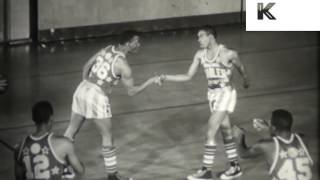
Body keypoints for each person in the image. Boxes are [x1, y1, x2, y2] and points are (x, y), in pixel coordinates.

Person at [63, 31, 160, 180]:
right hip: (97, 96)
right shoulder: (124, 66)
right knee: (107, 136)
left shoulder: (107, 48)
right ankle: (112, 176)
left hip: (82, 88)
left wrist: (87, 84)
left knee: (71, 130)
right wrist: (151, 81)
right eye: (136, 42)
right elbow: (132, 91)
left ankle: (63, 167)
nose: (139, 45)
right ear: (128, 44)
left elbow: (86, 66)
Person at [159, 25, 250, 180]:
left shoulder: (228, 53)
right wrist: (166, 77)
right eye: (198, 36)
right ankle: (235, 167)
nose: (198, 39)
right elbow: (188, 76)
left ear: (211, 36)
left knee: (210, 130)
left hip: (226, 93)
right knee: (225, 131)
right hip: (213, 96)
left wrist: (246, 79)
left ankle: (206, 170)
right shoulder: (200, 55)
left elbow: (240, 66)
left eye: (201, 36)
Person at [232, 109, 313, 180]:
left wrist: (239, 137)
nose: (268, 122)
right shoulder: (303, 139)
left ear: (274, 128)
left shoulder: (264, 145)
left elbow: (243, 154)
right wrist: (269, 129)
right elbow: (281, 142)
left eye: (269, 122)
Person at [14, 101, 84, 180]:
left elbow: (19, 178)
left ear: (33, 119)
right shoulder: (64, 144)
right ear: (51, 118)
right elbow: (80, 171)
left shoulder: (19, 147)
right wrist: (69, 167)